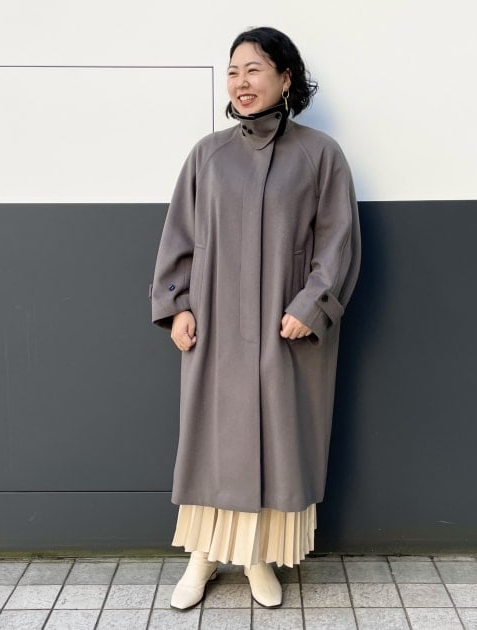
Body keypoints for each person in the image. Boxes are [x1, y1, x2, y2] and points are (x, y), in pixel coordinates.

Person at [150, 26, 361, 609]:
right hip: (216, 327)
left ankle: (258, 558)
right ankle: (201, 557)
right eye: (233, 72)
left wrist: (311, 306)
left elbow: (338, 242)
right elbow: (179, 235)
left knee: (278, 440)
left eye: (254, 70)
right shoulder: (208, 154)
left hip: (282, 331)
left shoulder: (320, 155)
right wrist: (176, 306)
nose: (241, 83)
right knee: (211, 441)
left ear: (285, 78)